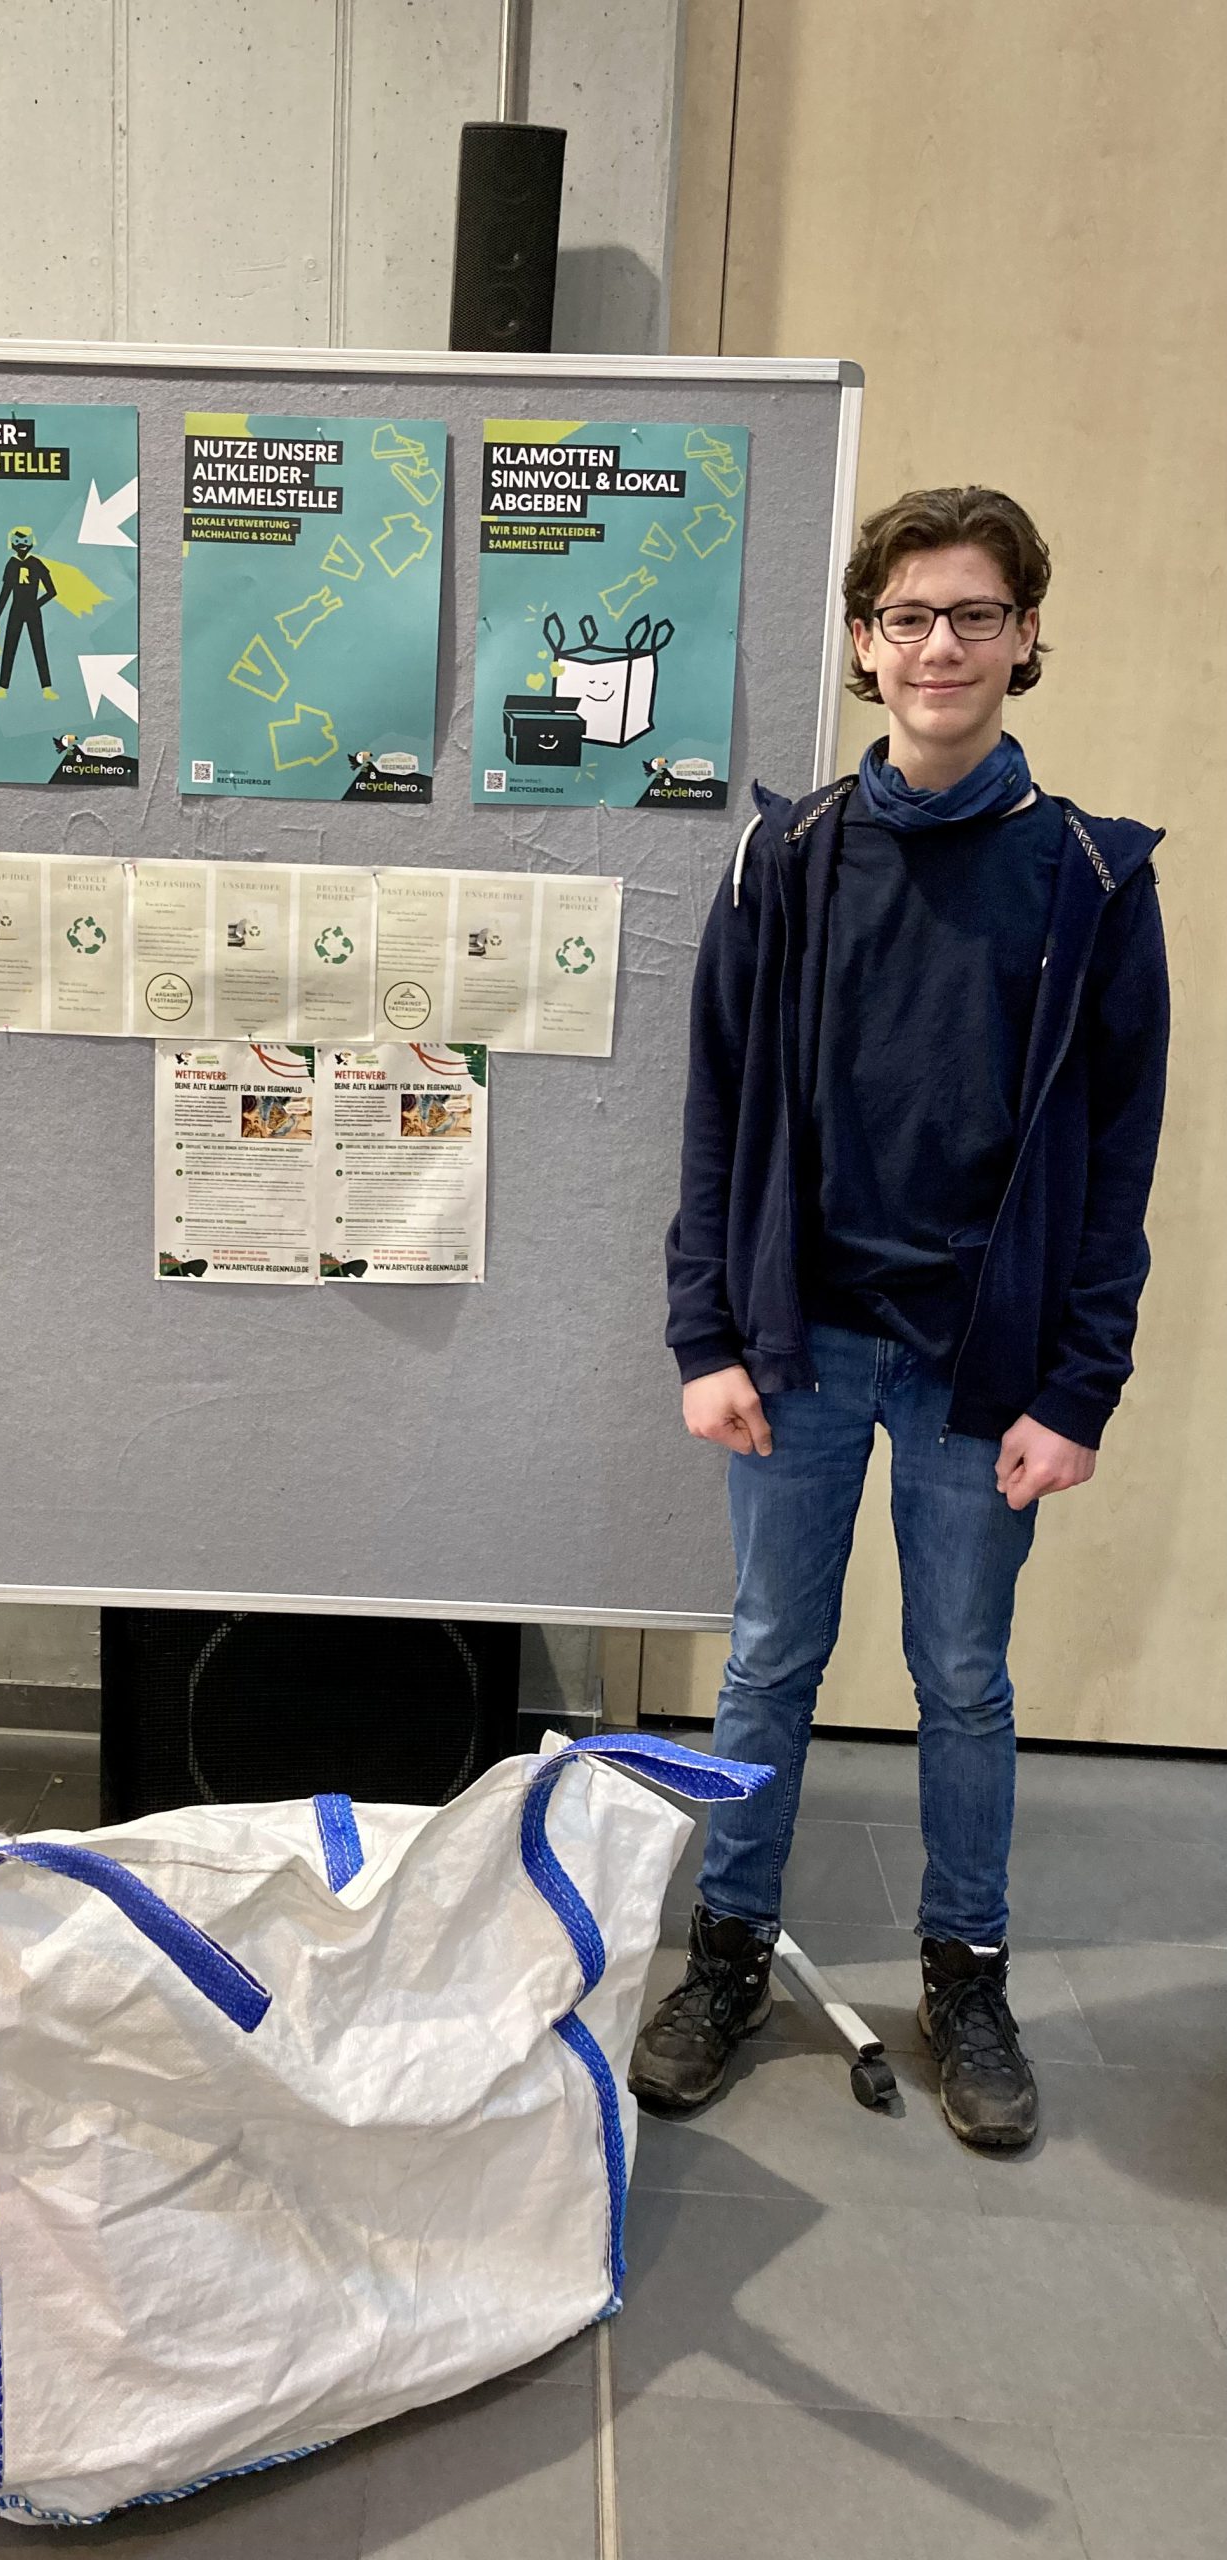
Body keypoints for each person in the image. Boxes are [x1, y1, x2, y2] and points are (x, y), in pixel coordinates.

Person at [630, 486, 1169, 2150]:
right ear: (863, 645)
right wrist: (705, 1337)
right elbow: (714, 1112)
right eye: (909, 617)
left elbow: (1115, 1164)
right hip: (797, 1344)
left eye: (975, 615)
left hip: (976, 1368)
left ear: (1023, 638)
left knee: (962, 1676)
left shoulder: (1089, 880)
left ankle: (965, 1973)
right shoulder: (785, 861)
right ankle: (726, 1952)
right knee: (766, 1662)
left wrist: (1077, 1389)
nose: (941, 645)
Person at [0, 527, 58, 700]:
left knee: (39, 647)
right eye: (17, 541)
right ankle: (2, 687)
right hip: (16, 611)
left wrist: (36, 605)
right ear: (12, 543)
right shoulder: (11, 564)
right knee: (9, 647)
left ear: (32, 542)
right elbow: (5, 592)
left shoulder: (36, 563)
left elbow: (52, 591)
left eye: (25, 541)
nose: (21, 545)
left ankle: (47, 688)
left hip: (33, 612)